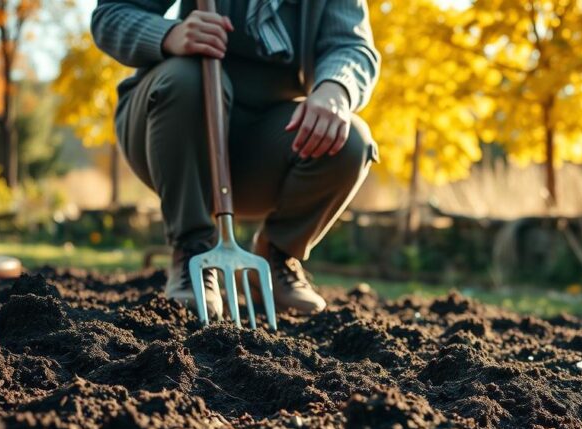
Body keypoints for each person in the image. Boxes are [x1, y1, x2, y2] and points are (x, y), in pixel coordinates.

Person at [92, 0, 380, 317]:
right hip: (171, 126)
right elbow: (111, 14)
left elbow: (353, 46)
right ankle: (192, 252)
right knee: (190, 78)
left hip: (261, 147)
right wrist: (169, 33)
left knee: (350, 140)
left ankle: (275, 257)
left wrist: (336, 88)